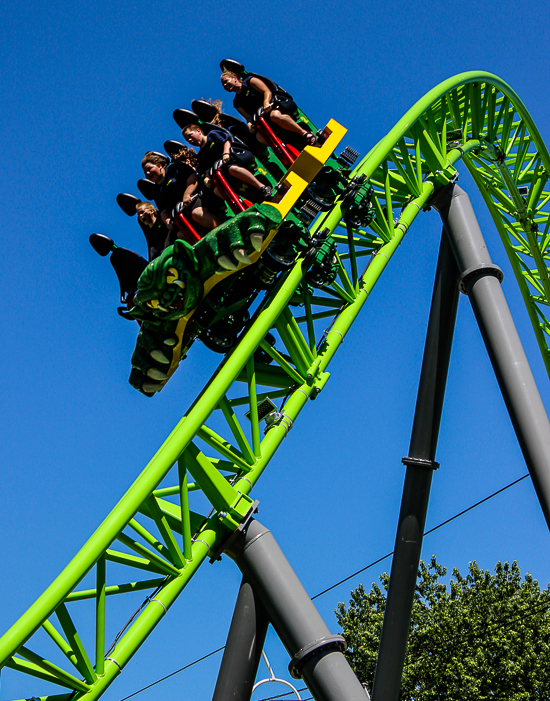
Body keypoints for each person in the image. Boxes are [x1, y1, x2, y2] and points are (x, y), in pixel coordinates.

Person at [220, 70, 316, 146]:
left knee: (275, 116)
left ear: (235, 78)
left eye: (226, 81)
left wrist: (266, 103)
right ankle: (284, 148)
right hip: (264, 118)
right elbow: (248, 118)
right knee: (259, 136)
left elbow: (267, 91)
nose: (225, 85)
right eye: (223, 84)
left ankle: (305, 133)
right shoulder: (237, 102)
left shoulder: (249, 81)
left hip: (275, 105)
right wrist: (250, 126)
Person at [181, 124, 272, 200]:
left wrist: (225, 153)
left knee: (232, 169)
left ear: (198, 131)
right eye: (187, 139)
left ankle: (262, 187)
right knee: (217, 190)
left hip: (235, 159)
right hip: (224, 172)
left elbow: (227, 141)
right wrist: (207, 178)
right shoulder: (201, 154)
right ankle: (240, 203)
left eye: (190, 135)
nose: (189, 140)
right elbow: (206, 168)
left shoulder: (212, 135)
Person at [141, 150, 224, 233]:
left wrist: (187, 195)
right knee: (180, 234)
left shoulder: (174, 168)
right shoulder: (156, 191)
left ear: (159, 165)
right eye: (145, 172)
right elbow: (163, 211)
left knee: (197, 214)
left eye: (149, 169)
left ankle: (224, 231)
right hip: (183, 213)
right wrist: (167, 221)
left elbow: (193, 179)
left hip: (198, 199)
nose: (147, 173)